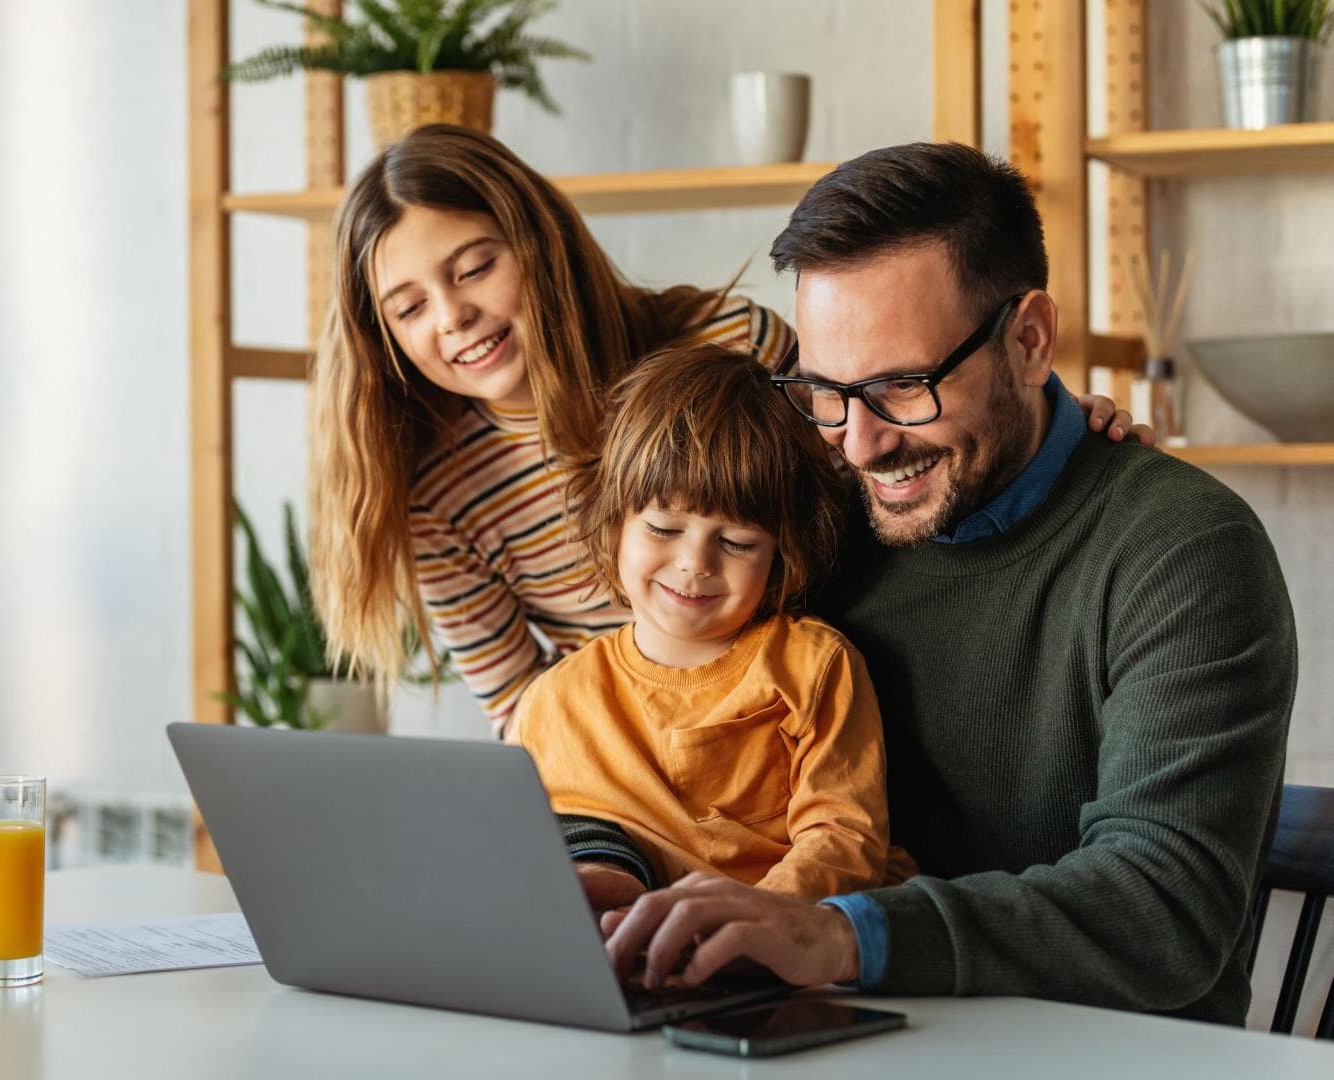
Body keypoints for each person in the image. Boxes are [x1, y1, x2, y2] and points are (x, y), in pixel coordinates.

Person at [596, 142, 1296, 1026]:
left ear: (1030, 339)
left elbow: (1163, 908)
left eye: (901, 386)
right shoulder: (816, 521)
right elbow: (660, 719)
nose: (858, 443)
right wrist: (598, 860)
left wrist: (837, 934)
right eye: (825, 391)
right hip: (835, 1032)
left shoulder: (1182, 550)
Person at [307, 125, 1146, 740]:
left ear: (538, 246)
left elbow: (893, 465)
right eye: (408, 307)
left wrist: (1058, 426)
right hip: (635, 772)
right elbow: (524, 720)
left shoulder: (726, 344)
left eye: (474, 267)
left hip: (830, 714)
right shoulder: (436, 499)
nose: (453, 319)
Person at [509, 343, 895, 906]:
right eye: (664, 529)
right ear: (614, 523)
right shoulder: (552, 704)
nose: (695, 564)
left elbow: (844, 839)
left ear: (782, 556)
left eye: (737, 542)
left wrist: (763, 921)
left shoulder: (813, 665)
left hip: (788, 948)